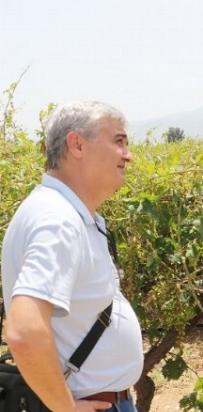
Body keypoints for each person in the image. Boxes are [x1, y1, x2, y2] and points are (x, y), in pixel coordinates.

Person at [1, 100, 143, 411]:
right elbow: (23, 331)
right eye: (118, 141)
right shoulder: (58, 219)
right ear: (76, 144)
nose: (128, 155)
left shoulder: (64, 213)